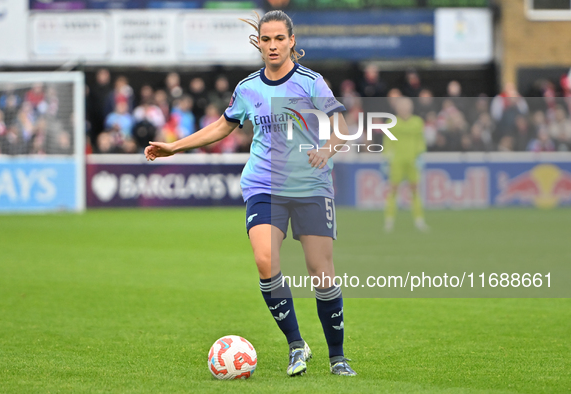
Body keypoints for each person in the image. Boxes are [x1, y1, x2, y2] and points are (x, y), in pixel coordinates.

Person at [144, 10, 356, 377]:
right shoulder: (248, 89)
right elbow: (221, 127)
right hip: (264, 185)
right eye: (266, 39)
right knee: (264, 261)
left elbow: (341, 126)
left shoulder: (311, 82)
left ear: (292, 42)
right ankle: (296, 346)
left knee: (321, 273)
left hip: (310, 186)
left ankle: (337, 357)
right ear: (258, 42)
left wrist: (328, 149)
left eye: (279, 39)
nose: (272, 45)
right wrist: (175, 147)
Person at [383, 97, 429, 232]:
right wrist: (386, 158)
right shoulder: (391, 122)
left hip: (412, 161)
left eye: (406, 107)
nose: (404, 109)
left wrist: (420, 155)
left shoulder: (417, 122)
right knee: (393, 191)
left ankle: (419, 220)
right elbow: (387, 142)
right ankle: (389, 221)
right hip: (396, 161)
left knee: (415, 191)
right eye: (402, 107)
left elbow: (420, 140)